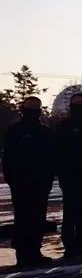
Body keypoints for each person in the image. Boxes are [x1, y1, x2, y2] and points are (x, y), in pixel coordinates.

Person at [2, 97, 56, 266]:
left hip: (40, 183)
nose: (34, 111)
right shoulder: (15, 131)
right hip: (21, 183)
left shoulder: (45, 132)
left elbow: (51, 158)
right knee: (22, 217)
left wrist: (48, 179)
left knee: (38, 217)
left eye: (36, 108)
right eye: (30, 107)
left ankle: (35, 251)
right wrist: (12, 179)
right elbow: (7, 158)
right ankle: (22, 253)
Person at [54, 92, 82, 257]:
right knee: (70, 214)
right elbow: (56, 153)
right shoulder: (62, 128)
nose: (81, 106)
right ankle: (70, 246)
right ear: (71, 106)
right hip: (69, 178)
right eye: (77, 103)